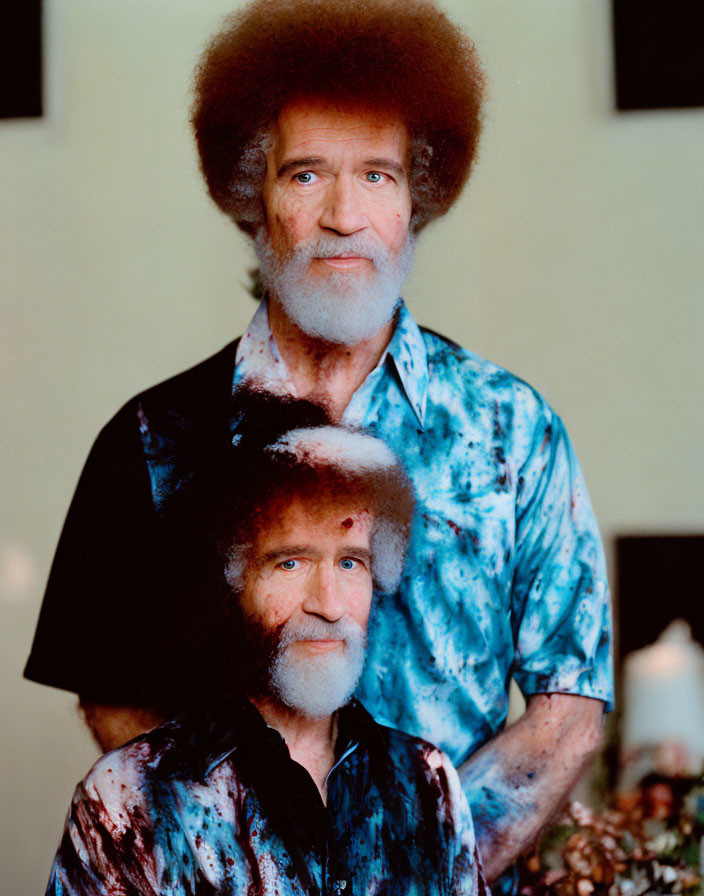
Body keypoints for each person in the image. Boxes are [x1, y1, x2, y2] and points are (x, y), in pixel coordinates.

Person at [26, 0, 613, 883]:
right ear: (251, 195)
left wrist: (420, 864)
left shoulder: (515, 431)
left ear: (418, 196)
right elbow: (114, 696)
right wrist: (246, 859)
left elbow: (569, 708)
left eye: (377, 175)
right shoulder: (151, 441)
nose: (344, 214)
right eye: (306, 175)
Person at [45, 408, 487, 896]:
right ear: (231, 583)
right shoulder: (127, 796)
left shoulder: (426, 782)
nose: (330, 604)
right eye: (291, 562)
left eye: (350, 561)